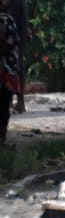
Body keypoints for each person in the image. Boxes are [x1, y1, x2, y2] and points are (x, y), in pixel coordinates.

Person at [1, 0, 29, 113]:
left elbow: (8, 21)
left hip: (11, 40)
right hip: (17, 39)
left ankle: (18, 101)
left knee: (12, 68)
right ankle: (16, 101)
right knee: (16, 68)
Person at [0, 9, 19, 142]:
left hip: (6, 71)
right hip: (7, 71)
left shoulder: (6, 20)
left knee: (3, 104)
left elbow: (11, 43)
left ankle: (2, 137)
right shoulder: (7, 19)